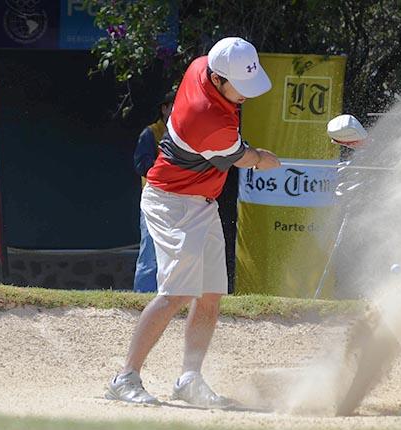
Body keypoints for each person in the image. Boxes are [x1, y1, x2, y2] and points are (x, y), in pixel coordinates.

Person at [106, 37, 281, 407]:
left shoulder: (202, 65)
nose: (247, 95)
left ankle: (189, 378)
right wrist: (266, 158)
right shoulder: (208, 119)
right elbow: (244, 157)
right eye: (241, 87)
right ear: (218, 79)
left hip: (202, 203)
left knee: (211, 294)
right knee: (176, 294)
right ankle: (125, 378)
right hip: (171, 203)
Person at [132, 91, 175, 293]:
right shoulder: (151, 133)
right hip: (154, 200)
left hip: (178, 201)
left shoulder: (185, 133)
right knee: (149, 251)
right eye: (172, 106)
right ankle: (142, 298)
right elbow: (142, 166)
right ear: (164, 108)